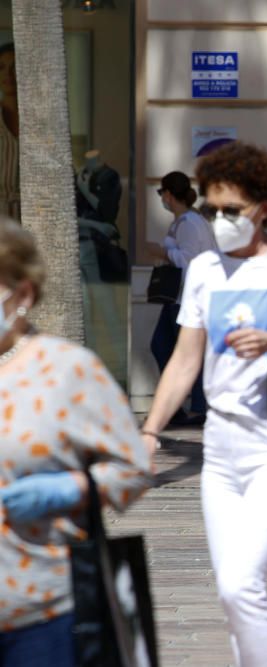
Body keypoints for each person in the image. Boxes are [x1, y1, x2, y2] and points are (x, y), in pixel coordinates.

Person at [140, 141, 267, 666]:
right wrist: (149, 432)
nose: (220, 219)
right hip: (221, 451)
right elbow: (185, 361)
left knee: (241, 585)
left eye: (231, 210)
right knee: (234, 591)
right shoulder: (206, 270)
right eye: (212, 208)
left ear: (262, 208)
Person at [0, 219, 153, 666]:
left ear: (22, 295)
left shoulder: (67, 371)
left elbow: (132, 467)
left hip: (40, 614)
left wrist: (73, 488)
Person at [147, 170, 217, 425]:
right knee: (162, 346)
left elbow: (189, 261)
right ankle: (179, 405)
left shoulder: (189, 223)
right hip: (177, 298)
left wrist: (162, 252)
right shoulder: (184, 221)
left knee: (184, 351)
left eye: (162, 194)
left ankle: (197, 407)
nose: (162, 199)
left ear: (168, 194)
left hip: (187, 298)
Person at [0, 43, 18, 219]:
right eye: (1, 68)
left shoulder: (41, 123)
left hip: (34, 217)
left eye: (15, 67)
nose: (8, 74)